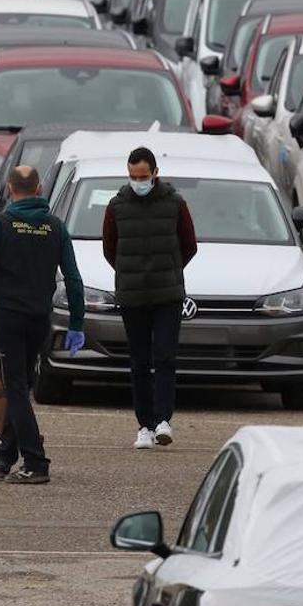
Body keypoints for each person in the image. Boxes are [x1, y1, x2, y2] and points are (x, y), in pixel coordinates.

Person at [0, 165, 85, 484]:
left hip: (7, 317)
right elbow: (73, 279)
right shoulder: (56, 227)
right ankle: (6, 454)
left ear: (9, 189)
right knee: (21, 386)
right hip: (39, 319)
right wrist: (76, 321)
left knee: (15, 388)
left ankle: (36, 461)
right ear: (39, 190)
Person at [102, 146, 197, 450]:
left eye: (142, 176)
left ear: (155, 173)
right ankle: (144, 425)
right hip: (132, 295)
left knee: (166, 356)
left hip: (167, 293)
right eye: (133, 176)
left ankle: (163, 420)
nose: (138, 182)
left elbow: (189, 245)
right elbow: (110, 249)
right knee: (139, 361)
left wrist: (168, 269)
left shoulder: (175, 204)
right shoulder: (116, 206)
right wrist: (130, 272)